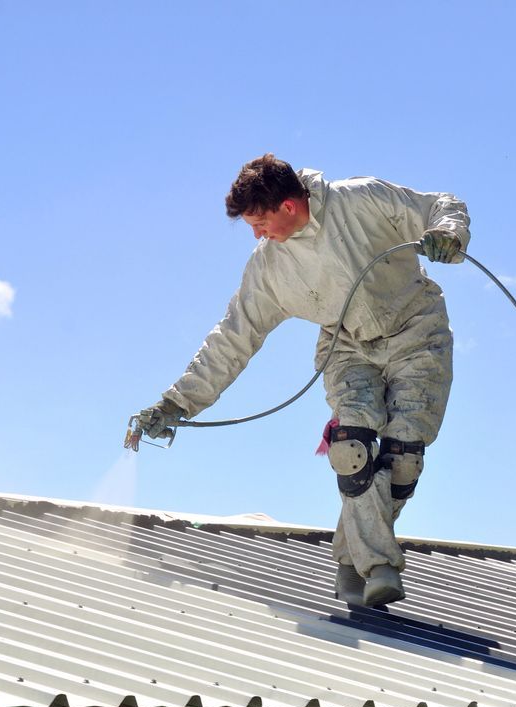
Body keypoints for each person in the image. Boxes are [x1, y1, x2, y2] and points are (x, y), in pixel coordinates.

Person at [135, 154, 469, 608]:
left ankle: (350, 561)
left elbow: (439, 204)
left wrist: (448, 233)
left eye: (260, 222)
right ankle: (380, 566)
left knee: (404, 456)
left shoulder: (361, 199)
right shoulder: (269, 268)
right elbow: (233, 337)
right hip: (347, 345)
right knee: (351, 448)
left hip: (418, 331)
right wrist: (177, 403)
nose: (256, 234)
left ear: (288, 206)